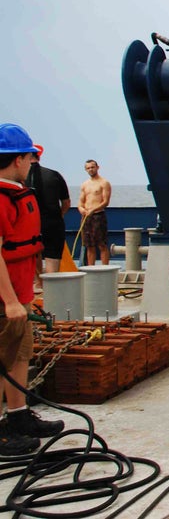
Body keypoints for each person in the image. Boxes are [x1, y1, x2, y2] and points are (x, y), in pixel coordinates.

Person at [0, 124, 65, 456]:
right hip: (4, 300)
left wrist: (27, 296)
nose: (32, 164)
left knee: (20, 354)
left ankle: (18, 415)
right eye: (29, 158)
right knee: (2, 359)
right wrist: (11, 301)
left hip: (19, 295)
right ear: (18, 159)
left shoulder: (16, 191)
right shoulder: (0, 197)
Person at [25, 145, 70, 273]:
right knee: (53, 255)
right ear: (39, 156)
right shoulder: (54, 175)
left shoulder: (20, 177)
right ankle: (52, 286)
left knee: (33, 253)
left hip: (30, 222)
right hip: (53, 221)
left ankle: (38, 283)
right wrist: (58, 215)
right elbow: (66, 202)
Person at [78, 159, 111, 266]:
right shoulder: (84, 184)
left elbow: (105, 202)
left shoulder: (104, 183)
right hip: (86, 217)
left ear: (97, 167)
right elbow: (81, 202)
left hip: (98, 216)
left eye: (92, 167)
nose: (90, 170)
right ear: (85, 170)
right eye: (88, 168)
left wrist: (93, 209)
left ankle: (105, 268)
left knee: (102, 244)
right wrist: (82, 209)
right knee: (89, 245)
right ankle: (90, 268)